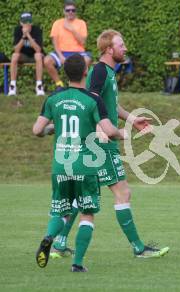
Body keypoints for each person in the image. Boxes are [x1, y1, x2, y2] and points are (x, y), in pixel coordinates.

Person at [49, 29, 170, 259]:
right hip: (101, 145)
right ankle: (138, 248)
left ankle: (59, 242)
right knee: (123, 192)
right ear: (108, 49)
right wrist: (99, 130)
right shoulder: (100, 72)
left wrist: (132, 119)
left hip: (95, 143)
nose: (125, 48)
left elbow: (109, 105)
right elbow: (90, 101)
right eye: (121, 45)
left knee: (81, 195)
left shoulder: (108, 73)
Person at [33, 53, 125, 272]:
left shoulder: (54, 98)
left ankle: (49, 237)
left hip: (60, 166)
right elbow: (110, 131)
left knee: (61, 211)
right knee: (87, 213)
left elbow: (37, 130)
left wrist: (52, 129)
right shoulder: (93, 100)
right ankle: (77, 264)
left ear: (65, 74)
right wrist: (123, 134)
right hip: (84, 165)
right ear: (86, 72)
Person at [44, 0, 92, 90]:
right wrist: (60, 56)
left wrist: (72, 29)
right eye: (68, 10)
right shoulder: (57, 23)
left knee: (87, 60)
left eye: (73, 10)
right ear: (64, 11)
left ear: (75, 11)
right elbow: (55, 42)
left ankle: (80, 85)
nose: (70, 12)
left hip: (78, 52)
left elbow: (83, 42)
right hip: (61, 52)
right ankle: (59, 84)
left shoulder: (81, 23)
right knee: (47, 61)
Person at [8, 12, 44, 97]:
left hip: (35, 56)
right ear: (21, 23)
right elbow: (16, 50)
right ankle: (12, 86)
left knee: (38, 55)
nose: (27, 23)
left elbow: (38, 49)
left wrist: (28, 35)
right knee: (14, 56)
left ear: (31, 22)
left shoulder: (37, 30)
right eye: (24, 21)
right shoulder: (17, 30)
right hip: (23, 56)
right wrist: (24, 36)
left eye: (29, 21)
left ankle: (39, 86)